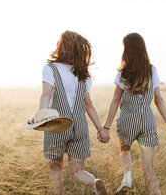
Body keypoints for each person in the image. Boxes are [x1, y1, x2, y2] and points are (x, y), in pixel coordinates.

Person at [30, 31, 109, 195]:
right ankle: (94, 183)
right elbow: (89, 104)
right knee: (77, 172)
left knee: (56, 169)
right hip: (80, 127)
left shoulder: (50, 69)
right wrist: (100, 128)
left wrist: (41, 116)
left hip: (58, 124)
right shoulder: (84, 74)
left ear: (61, 47)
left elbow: (46, 94)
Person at [98, 33, 166, 195]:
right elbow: (159, 99)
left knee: (125, 149)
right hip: (147, 121)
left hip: (127, 120)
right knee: (148, 170)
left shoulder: (123, 73)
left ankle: (127, 176)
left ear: (126, 50)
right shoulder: (152, 70)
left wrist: (105, 127)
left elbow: (115, 100)